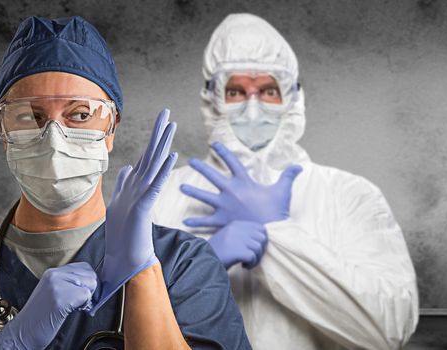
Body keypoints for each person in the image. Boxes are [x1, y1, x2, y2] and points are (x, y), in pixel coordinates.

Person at [0, 16, 250, 349]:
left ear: (110, 129)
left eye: (80, 114)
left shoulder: (183, 264)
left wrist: (141, 274)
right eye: (29, 116)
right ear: (4, 132)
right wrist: (11, 344)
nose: (54, 139)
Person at [152, 13, 419, 349]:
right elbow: (115, 326)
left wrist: (275, 235)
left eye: (268, 91)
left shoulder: (349, 195)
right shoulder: (161, 197)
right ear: (211, 97)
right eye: (235, 91)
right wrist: (200, 268)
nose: (253, 107)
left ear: (292, 97)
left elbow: (387, 329)